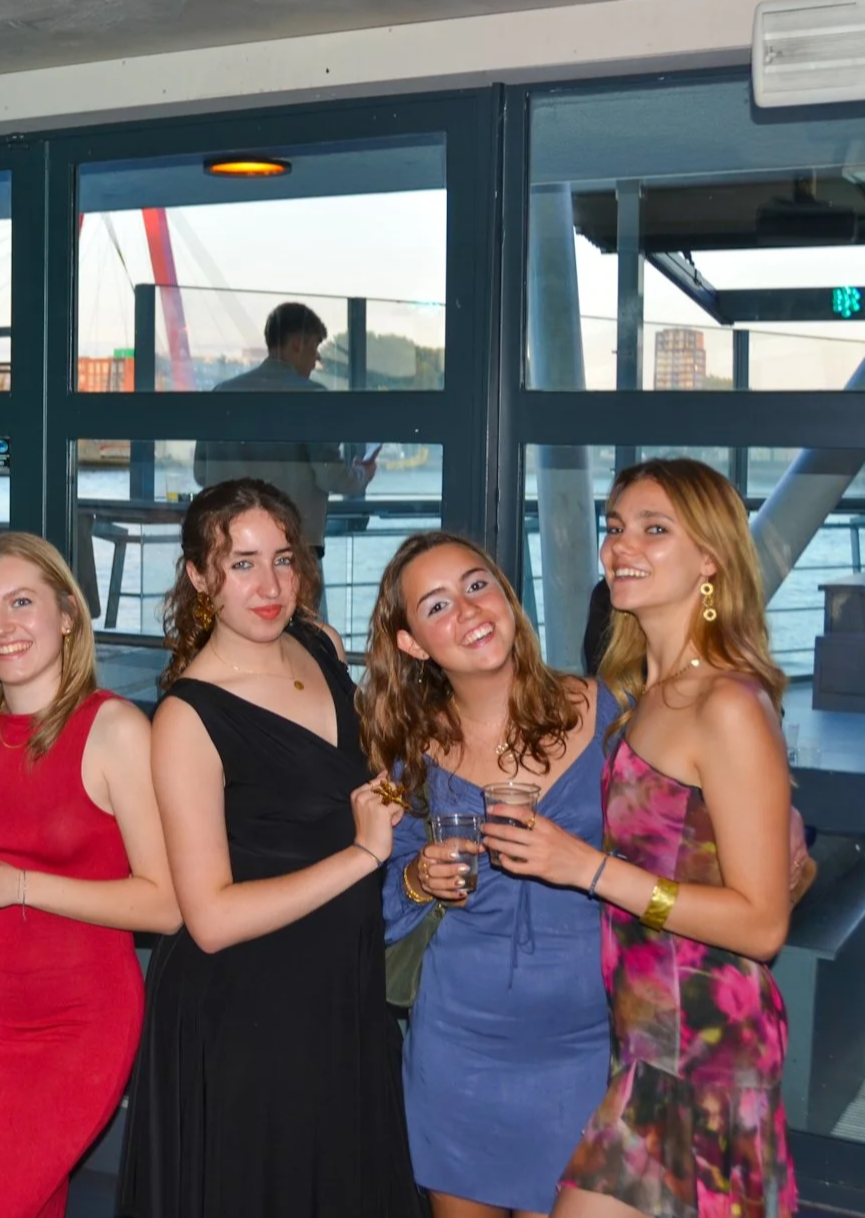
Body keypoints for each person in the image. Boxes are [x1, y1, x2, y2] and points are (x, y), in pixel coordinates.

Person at [484, 458, 798, 1218]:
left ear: (711, 559)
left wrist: (588, 869)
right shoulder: (645, 699)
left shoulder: (725, 703)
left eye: (655, 530)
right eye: (616, 526)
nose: (621, 545)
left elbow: (762, 925)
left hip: (706, 1044)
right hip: (648, 1038)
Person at [118, 477, 424, 1218]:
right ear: (199, 576)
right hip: (248, 1012)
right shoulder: (187, 717)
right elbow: (210, 920)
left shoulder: (319, 646)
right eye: (242, 563)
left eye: (284, 560)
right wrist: (362, 855)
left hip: (342, 987)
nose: (271, 586)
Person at [0, 533, 179, 1218]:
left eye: (21, 602)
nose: (1, 625)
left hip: (77, 1025)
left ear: (67, 614)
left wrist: (16, 885)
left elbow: (165, 905)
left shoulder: (114, 728)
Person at [360, 532, 614, 1218]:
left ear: (506, 593)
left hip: (592, 1046)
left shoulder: (607, 716)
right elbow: (369, 907)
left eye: (477, 585)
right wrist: (418, 879)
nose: (469, 610)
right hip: (460, 1051)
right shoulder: (409, 758)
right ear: (412, 643)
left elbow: (676, 845)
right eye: (437, 605)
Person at [194, 302, 380, 609]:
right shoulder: (313, 398)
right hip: (293, 550)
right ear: (297, 343)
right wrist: (361, 474)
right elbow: (330, 474)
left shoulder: (222, 394)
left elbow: (202, 473)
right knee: (303, 632)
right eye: (314, 350)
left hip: (228, 546)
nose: (315, 362)